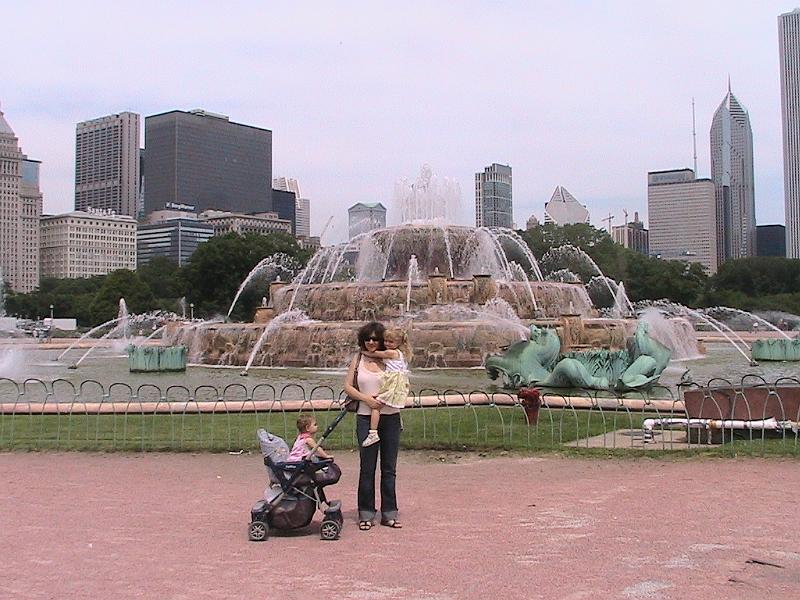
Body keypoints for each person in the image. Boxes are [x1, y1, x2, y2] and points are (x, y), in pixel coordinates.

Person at [343, 321, 403, 531]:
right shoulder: (358, 358)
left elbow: (401, 381)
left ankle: (389, 512)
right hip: (365, 417)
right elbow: (348, 386)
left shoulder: (391, 358)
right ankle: (366, 512)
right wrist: (366, 400)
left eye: (375, 339)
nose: (371, 342)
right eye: (367, 338)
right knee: (367, 468)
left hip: (391, 417)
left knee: (389, 468)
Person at [360, 327, 411, 447]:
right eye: (386, 341)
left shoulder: (392, 353)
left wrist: (363, 352)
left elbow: (375, 354)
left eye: (391, 342)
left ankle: (373, 433)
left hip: (393, 382)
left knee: (376, 405)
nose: (387, 343)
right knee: (388, 401)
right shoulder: (399, 354)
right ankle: (398, 424)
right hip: (396, 382)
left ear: (398, 343)